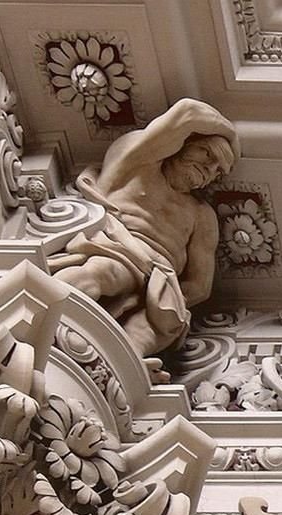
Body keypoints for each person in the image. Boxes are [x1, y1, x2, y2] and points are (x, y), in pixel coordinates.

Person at [48, 98, 238, 361]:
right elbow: (188, 111)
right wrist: (231, 135)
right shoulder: (138, 164)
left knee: (164, 322)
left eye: (218, 171)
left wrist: (163, 295)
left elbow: (200, 285)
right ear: (184, 143)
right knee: (103, 272)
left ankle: (118, 365)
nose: (210, 170)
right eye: (208, 154)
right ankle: (42, 311)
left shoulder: (201, 214)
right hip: (121, 248)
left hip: (162, 277)